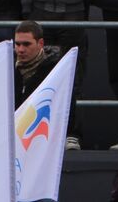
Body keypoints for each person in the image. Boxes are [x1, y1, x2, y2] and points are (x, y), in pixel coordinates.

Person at [13, 21, 78, 150]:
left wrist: (70, 135)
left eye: (26, 44)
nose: (20, 50)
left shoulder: (57, 70)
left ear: (40, 43)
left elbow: (68, 104)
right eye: (17, 44)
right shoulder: (6, 68)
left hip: (46, 137)